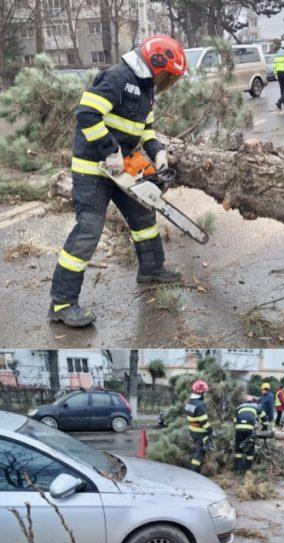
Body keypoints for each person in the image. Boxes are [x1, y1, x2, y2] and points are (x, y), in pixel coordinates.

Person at [49, 35, 189, 327]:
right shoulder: (117, 77)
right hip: (93, 166)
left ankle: (152, 268)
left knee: (143, 215)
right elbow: (86, 113)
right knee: (88, 229)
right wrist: (110, 150)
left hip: (121, 168)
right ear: (157, 63)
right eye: (169, 77)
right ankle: (61, 303)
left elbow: (146, 131)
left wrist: (158, 153)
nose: (168, 83)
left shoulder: (148, 89)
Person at [233, 394, 267, 474]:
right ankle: (247, 469)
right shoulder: (256, 407)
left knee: (238, 450)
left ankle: (237, 469)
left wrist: (238, 428)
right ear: (253, 402)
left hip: (239, 429)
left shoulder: (239, 407)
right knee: (250, 450)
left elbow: (235, 419)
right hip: (249, 430)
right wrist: (265, 428)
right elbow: (264, 418)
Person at [185, 379, 211, 472]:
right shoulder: (200, 405)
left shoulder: (189, 403)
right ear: (201, 393)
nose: (205, 394)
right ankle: (193, 472)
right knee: (199, 454)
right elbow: (204, 422)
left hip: (192, 431)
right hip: (200, 433)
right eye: (205, 392)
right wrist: (211, 430)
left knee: (196, 450)